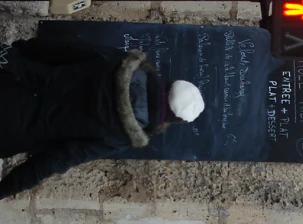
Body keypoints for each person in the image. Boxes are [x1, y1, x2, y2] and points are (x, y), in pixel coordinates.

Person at [0, 37, 205, 200]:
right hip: (9, 130)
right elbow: (55, 160)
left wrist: (19, 53)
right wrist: (5, 189)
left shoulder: (120, 62)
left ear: (170, 83)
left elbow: (65, 48)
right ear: (174, 120)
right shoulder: (120, 136)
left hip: (12, 79)